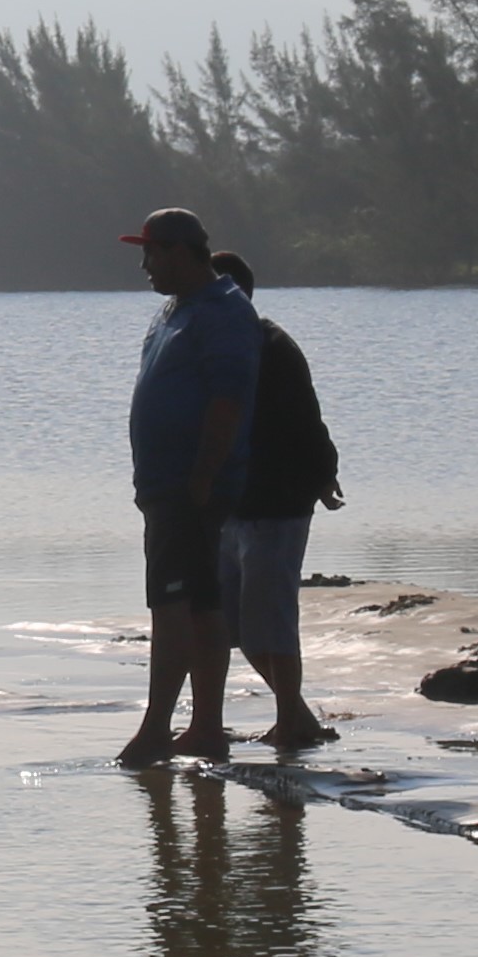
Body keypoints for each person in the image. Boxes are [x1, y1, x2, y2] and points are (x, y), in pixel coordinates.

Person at [118, 207, 263, 766]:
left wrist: (202, 474)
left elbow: (228, 400)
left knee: (172, 604)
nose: (144, 265)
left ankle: (157, 728)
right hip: (164, 484)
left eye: (151, 253)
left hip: (189, 486)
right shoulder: (173, 312)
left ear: (181, 251)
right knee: (200, 603)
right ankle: (206, 729)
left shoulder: (224, 312)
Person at [209, 252, 345, 752]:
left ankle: (291, 721)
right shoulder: (212, 344)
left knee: (273, 619)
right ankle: (298, 715)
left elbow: (305, 418)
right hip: (230, 505)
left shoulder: (272, 345)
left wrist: (324, 475)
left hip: (277, 502)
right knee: (237, 623)